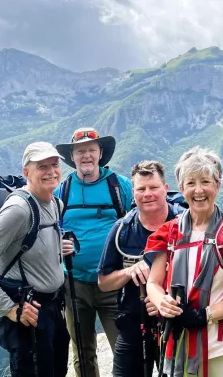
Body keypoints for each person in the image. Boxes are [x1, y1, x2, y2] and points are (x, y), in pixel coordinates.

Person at [145, 146, 223, 377]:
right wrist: (162, 303)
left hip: (221, 349)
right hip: (177, 344)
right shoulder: (169, 233)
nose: (198, 190)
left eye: (205, 182)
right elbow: (153, 283)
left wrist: (203, 315)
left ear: (218, 185)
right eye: (191, 183)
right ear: (181, 188)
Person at [0, 142, 73, 377]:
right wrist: (11, 310)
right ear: (26, 173)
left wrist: (57, 247)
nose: (51, 171)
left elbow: (31, 246)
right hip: (28, 315)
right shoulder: (18, 209)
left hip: (53, 309)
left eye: (54, 164)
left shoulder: (55, 203)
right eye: (42, 166)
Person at [54, 127, 133, 377]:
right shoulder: (61, 191)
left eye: (91, 150)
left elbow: (137, 223)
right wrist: (57, 244)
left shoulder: (119, 185)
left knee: (123, 348)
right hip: (74, 284)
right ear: (73, 157)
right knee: (82, 352)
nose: (86, 155)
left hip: (113, 282)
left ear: (100, 153)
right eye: (80, 151)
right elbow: (48, 232)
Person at [97, 160, 186, 376]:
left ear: (165, 189)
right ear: (133, 194)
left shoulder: (186, 224)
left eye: (154, 188)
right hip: (132, 326)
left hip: (179, 326)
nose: (148, 194)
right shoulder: (122, 230)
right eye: (141, 189)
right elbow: (103, 283)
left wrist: (163, 301)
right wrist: (128, 272)